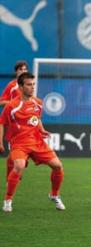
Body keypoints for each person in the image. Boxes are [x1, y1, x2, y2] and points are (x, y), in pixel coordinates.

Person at [0, 72, 65, 212]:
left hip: (37, 142)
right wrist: (0, 142)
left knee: (58, 166)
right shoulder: (12, 106)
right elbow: (2, 123)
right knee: (19, 166)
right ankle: (8, 200)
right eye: (29, 85)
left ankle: (54, 194)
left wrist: (42, 130)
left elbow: (37, 119)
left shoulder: (38, 103)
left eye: (33, 84)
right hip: (19, 143)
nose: (32, 87)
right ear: (21, 87)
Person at [1, 61, 29, 181]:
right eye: (20, 69)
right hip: (14, 123)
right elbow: (2, 102)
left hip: (27, 123)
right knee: (15, 153)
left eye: (25, 69)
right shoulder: (12, 86)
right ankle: (11, 177)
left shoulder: (29, 85)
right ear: (16, 72)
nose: (23, 71)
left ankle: (17, 169)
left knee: (26, 153)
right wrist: (15, 103)